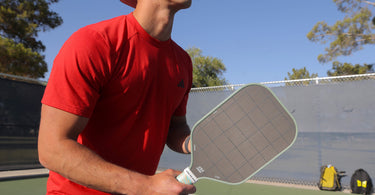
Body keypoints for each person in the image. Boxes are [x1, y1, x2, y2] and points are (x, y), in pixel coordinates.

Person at [37, 0, 196, 194]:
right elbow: (52, 149)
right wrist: (146, 186)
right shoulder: (94, 42)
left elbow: (176, 127)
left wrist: (197, 142)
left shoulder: (183, 63)